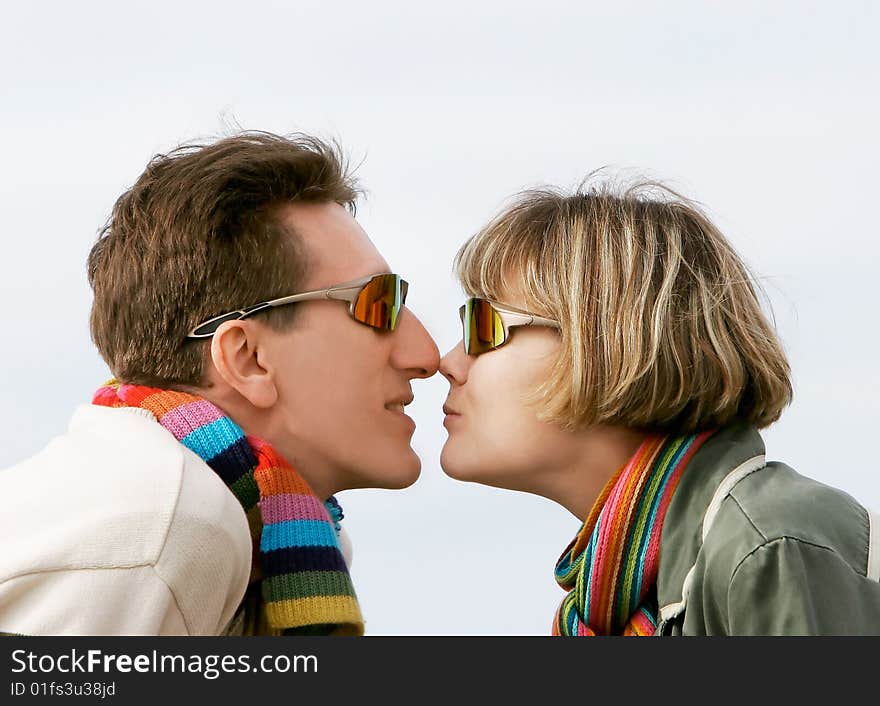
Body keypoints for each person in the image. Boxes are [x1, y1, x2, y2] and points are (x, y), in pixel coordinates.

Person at [0, 132, 439, 636]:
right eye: (377, 306)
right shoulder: (163, 530)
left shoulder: (281, 537)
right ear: (248, 358)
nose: (425, 355)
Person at [438, 178, 880, 635]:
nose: (446, 362)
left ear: (605, 343)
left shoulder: (767, 546)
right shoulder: (616, 600)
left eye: (484, 326)